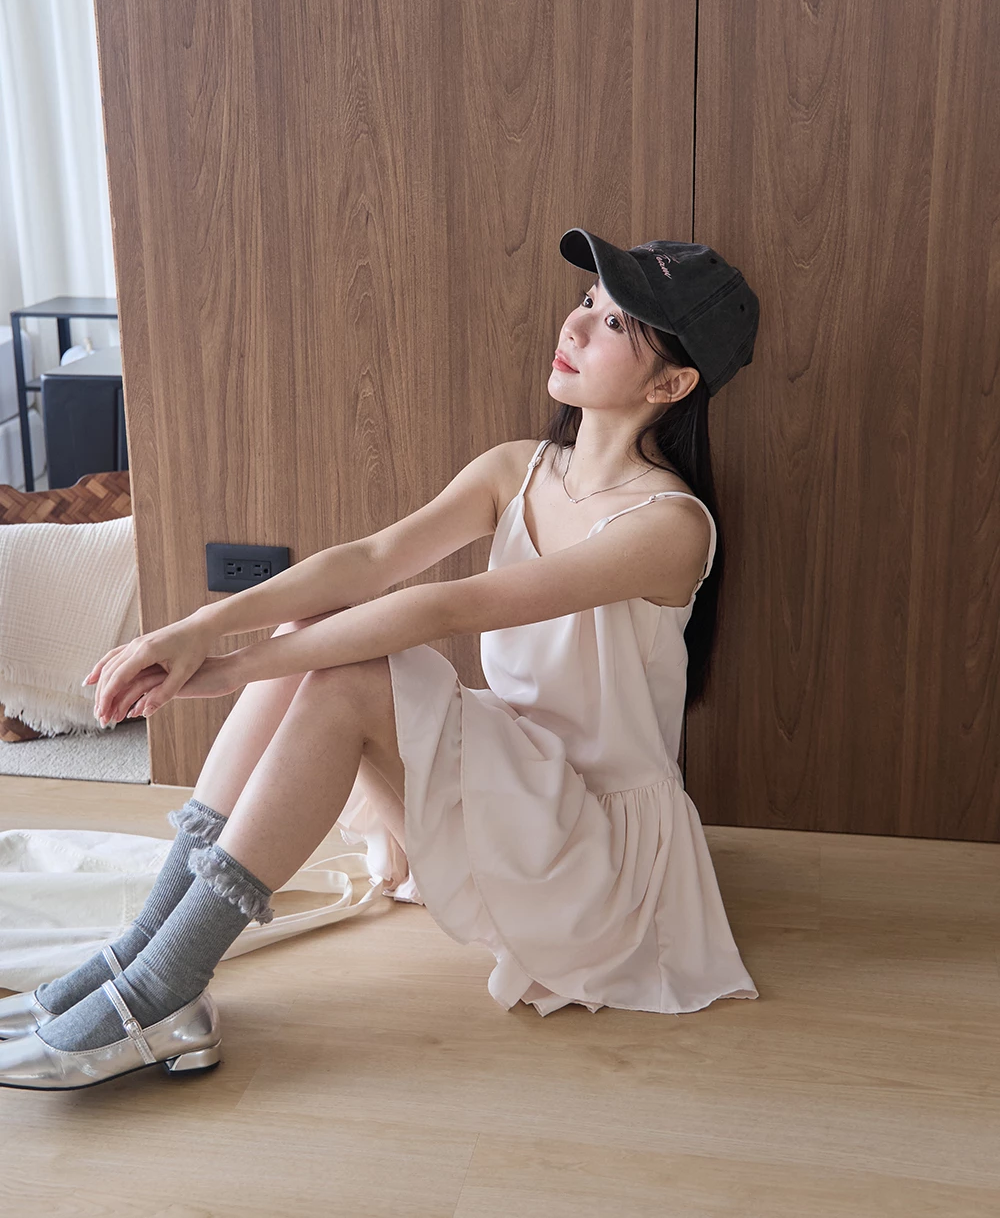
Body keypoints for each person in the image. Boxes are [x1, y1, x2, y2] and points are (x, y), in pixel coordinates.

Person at [0, 227, 762, 1091]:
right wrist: (196, 631)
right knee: (316, 626)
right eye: (589, 300)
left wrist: (227, 670)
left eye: (617, 323)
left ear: (672, 383)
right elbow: (368, 560)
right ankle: (145, 950)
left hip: (595, 851)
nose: (577, 324)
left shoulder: (669, 525)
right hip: (516, 790)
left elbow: (445, 605)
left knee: (352, 675)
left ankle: (161, 987)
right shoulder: (519, 468)